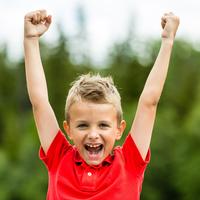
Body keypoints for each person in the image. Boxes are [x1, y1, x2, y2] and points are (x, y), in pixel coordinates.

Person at [24, 10, 180, 200]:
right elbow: (39, 102)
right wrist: (31, 39)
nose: (93, 134)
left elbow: (149, 102)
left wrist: (167, 41)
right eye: (82, 125)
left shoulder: (130, 162)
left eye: (103, 125)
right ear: (68, 129)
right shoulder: (59, 157)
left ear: (119, 129)